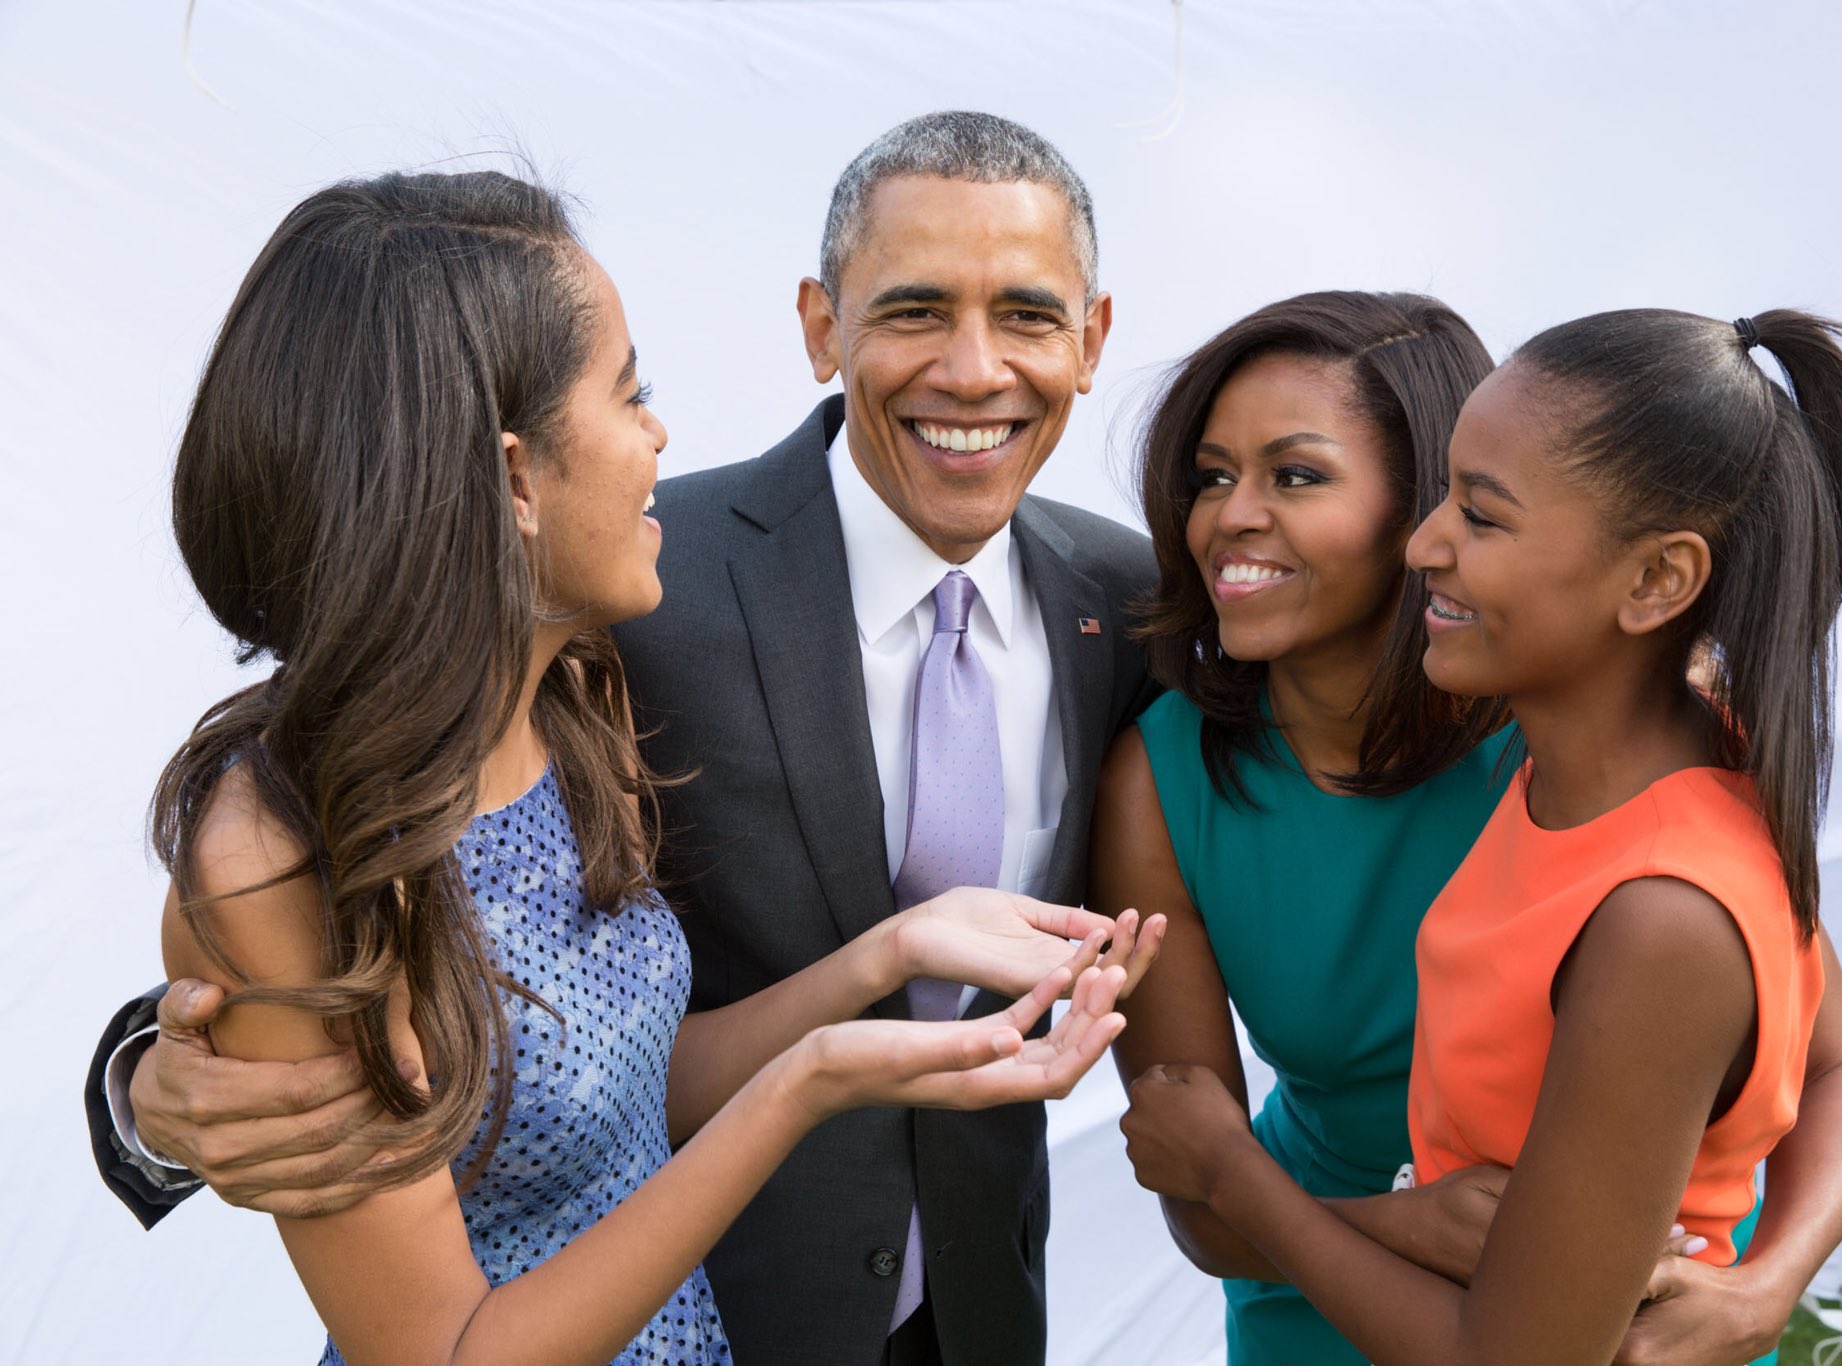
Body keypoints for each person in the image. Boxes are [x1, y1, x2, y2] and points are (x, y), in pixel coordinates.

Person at [87, 113, 1162, 1365]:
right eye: (916, 309)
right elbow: (332, 912)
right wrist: (148, 1099)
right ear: (823, 325)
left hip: (973, 1317)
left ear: (1090, 340)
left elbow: (586, 1031)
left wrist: (895, 955)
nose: (974, 370)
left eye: (1027, 315)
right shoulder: (630, 599)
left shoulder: (1130, 609)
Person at [1101, 294, 1842, 1364]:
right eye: (1208, 476)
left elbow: (1830, 1067)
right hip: (1319, 1285)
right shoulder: (1171, 776)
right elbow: (1195, 1194)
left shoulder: (1620, 777)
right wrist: (1378, 1219)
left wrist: (1767, 1285)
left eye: (1296, 474)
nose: (1228, 516)